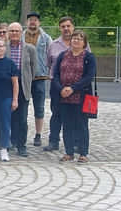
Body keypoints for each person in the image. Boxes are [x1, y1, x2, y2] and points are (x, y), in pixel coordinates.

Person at [44, 16, 90, 151]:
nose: (66, 29)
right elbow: (49, 64)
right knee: (56, 113)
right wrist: (59, 86)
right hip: (57, 86)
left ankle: (75, 143)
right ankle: (53, 141)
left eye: (68, 26)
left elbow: (88, 65)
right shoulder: (53, 44)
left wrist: (74, 86)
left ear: (73, 27)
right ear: (60, 28)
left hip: (78, 87)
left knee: (77, 115)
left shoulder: (83, 44)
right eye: (63, 26)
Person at [53, 30, 96, 164]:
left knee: (81, 125)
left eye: (79, 39)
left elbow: (89, 77)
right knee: (67, 125)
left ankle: (83, 153)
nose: (76, 41)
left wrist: (73, 88)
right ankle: (69, 152)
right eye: (74, 38)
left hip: (81, 96)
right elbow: (55, 74)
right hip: (64, 96)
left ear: (84, 43)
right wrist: (61, 88)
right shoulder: (62, 55)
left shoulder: (89, 57)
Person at [5, 22, 37, 157]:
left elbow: (33, 68)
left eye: (16, 31)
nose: (14, 33)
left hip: (23, 85)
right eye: (11, 31)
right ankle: (9, 141)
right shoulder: (3, 47)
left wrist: (27, 80)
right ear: (8, 32)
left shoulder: (30, 49)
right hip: (6, 86)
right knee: (7, 116)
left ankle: (21, 145)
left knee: (22, 118)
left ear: (21, 32)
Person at [22, 12, 52, 147]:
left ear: (39, 23)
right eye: (30, 20)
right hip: (24, 77)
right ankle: (20, 133)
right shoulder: (22, 37)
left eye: (35, 20)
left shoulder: (46, 38)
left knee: (39, 107)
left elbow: (51, 55)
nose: (32, 22)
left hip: (39, 77)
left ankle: (38, 134)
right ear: (27, 22)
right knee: (22, 107)